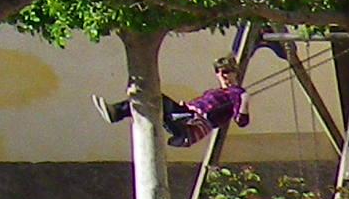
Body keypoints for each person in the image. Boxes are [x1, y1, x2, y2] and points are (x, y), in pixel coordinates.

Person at [101, 52, 250, 147]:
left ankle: (117, 112)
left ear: (235, 73)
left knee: (156, 98)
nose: (222, 75)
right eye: (218, 71)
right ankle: (118, 112)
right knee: (152, 100)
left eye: (226, 71)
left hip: (192, 125)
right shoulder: (215, 92)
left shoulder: (235, 92)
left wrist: (245, 100)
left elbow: (242, 121)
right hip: (185, 117)